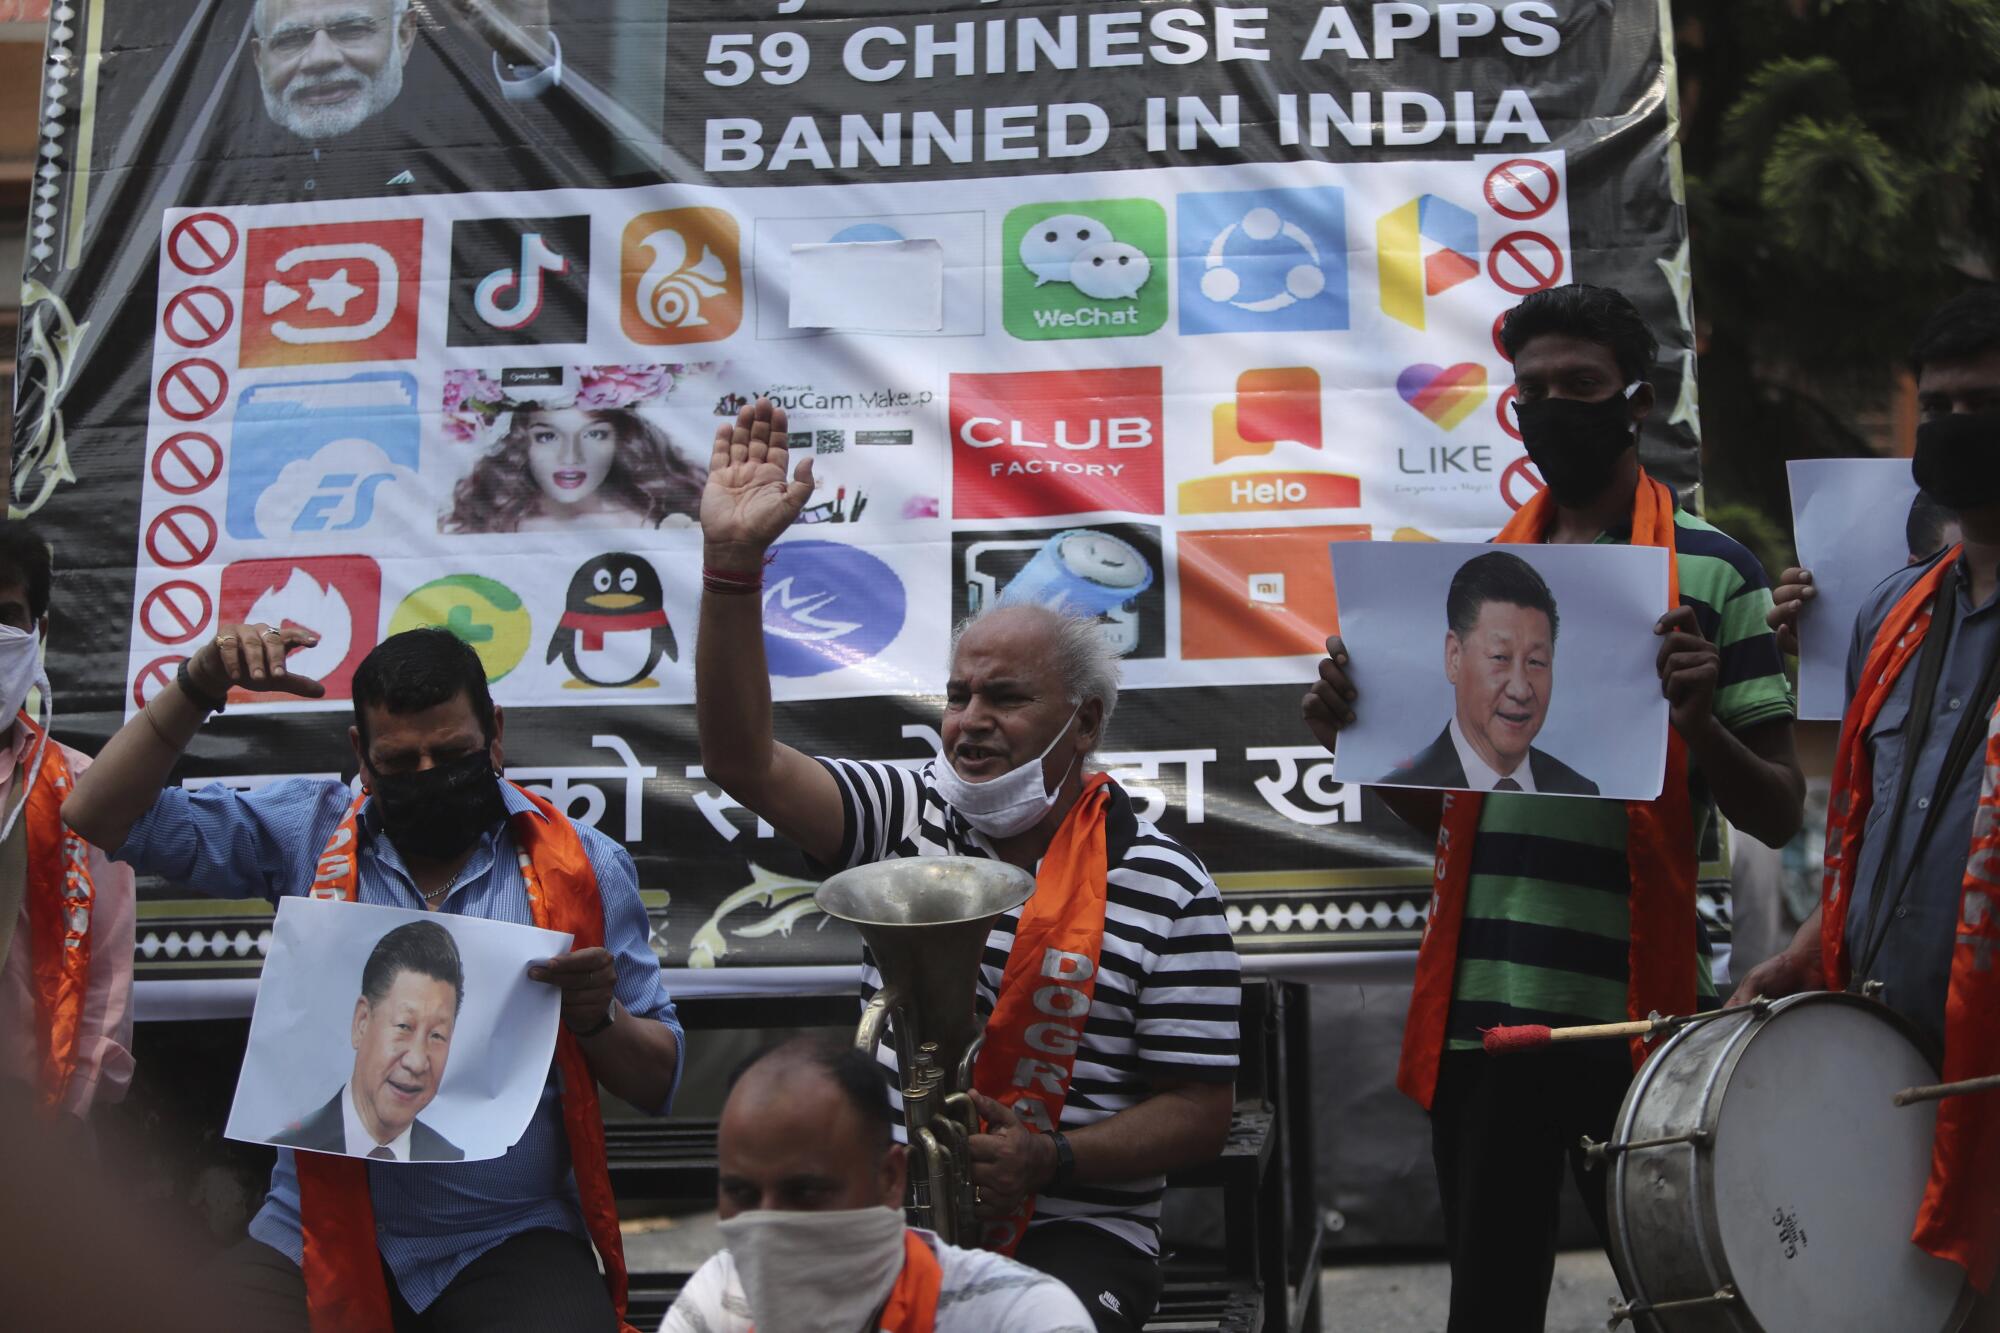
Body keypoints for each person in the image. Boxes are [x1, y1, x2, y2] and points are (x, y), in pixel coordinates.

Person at [1304, 284, 1803, 1333]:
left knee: (1682, 1301)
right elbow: (1447, 818)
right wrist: (1353, 735)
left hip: (1637, 1019)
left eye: (1577, 385)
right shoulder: (1475, 579)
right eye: (1528, 389)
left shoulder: (1716, 572)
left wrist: (1700, 719)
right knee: (1488, 1309)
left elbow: (1777, 812)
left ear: (1641, 400)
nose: (1548, 408)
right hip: (1487, 1021)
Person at [694, 399, 1241, 1332]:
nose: (969, 720)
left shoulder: (1166, 882)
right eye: (957, 694)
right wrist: (734, 569)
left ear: (1089, 722)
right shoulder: (898, 806)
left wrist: (1052, 1158)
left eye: (1006, 696)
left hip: (1083, 1225)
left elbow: (1198, 1108)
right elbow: (742, 760)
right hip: (883, 1215)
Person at [62, 626, 683, 1331]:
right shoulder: (307, 831)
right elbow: (96, 814)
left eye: (451, 755)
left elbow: (658, 1078)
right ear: (360, 754)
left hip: (504, 1237)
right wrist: (198, 688)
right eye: (399, 761)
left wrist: (600, 1019)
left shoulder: (583, 866)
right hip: (312, 1232)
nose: (428, 775)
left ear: (496, 737)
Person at [1746, 285, 2000, 1308]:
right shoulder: (1889, 613)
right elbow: (1866, 823)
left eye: (1975, 404)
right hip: (1887, 1051)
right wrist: (1811, 942)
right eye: (1931, 407)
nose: (1948, 427)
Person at [662, 1037, 1095, 1333]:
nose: (769, 1220)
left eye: (805, 1192)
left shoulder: (1021, 1317)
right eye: (741, 1194)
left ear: (890, 1179)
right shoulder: (717, 1297)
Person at [0, 522, 135, 1122]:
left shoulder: (80, 790)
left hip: (34, 1125)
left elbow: (107, 971)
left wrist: (70, 1114)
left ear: (38, 633)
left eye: (6, 616)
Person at [1384, 550, 1598, 795]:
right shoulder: (1402, 790)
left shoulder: (1581, 792)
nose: (1520, 689)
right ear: (1454, 656)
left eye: (1536, 662)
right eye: (1500, 658)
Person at [270, 919, 467, 1162]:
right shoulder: (297, 1144)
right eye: (404, 1026)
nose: (416, 1062)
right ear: (361, 1022)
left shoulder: (452, 1159)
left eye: (437, 1035)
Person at [443, 404, 705, 534]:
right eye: (547, 437)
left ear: (621, 441)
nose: (571, 457)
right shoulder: (489, 522)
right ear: (522, 443)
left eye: (594, 435)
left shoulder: (653, 522)